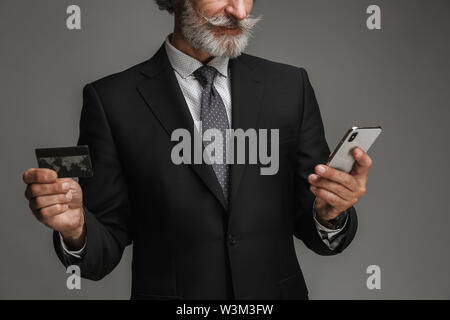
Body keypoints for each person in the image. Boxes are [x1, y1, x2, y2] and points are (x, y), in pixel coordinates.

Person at [22, 0, 372, 299]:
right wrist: (76, 229)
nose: (239, 11)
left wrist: (330, 214)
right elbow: (105, 245)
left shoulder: (290, 87)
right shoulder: (111, 101)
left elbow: (313, 224)